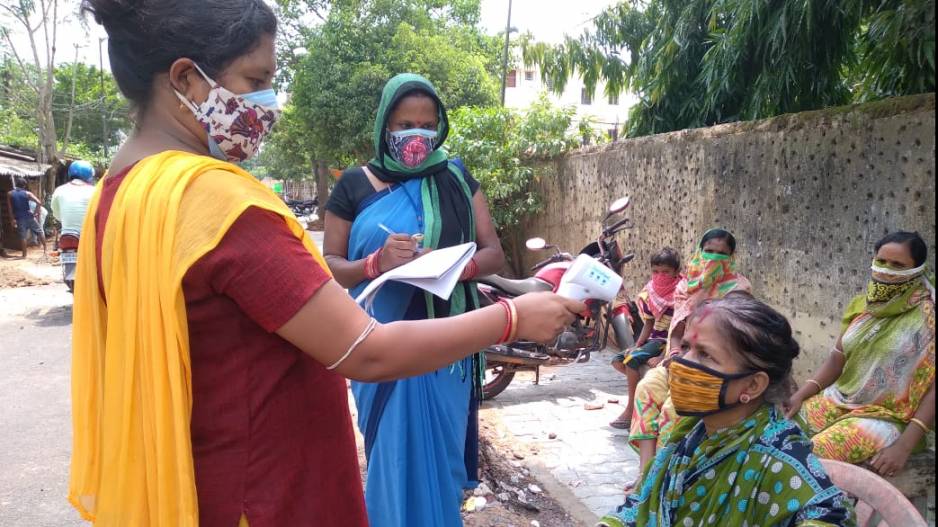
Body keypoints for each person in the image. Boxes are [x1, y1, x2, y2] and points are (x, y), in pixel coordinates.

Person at [72, 2, 583, 526]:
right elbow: (367, 352)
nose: (270, 104)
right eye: (256, 79)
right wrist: (513, 318)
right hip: (266, 497)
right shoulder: (221, 206)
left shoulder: (119, 195)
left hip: (197, 481)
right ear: (186, 79)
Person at [322, 73, 506, 527]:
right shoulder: (354, 184)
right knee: (393, 457)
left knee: (441, 464)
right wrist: (376, 263)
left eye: (427, 125)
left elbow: (493, 253)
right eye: (406, 125)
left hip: (449, 344)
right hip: (381, 343)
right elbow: (331, 265)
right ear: (385, 125)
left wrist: (451, 267)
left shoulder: (457, 178)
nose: (416, 135)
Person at [598, 293, 855, 527]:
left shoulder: (777, 455)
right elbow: (644, 501)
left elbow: (829, 516)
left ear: (753, 385)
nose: (682, 363)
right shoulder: (689, 438)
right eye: (686, 347)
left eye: (705, 355)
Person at [786, 231, 935, 478]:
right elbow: (837, 358)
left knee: (808, 456)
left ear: (917, 269)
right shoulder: (862, 305)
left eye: (898, 265)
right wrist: (799, 396)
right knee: (775, 432)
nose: (886, 270)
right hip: (839, 400)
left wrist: (904, 446)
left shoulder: (929, 316)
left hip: (890, 417)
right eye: (882, 261)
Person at [627, 229, 752, 490]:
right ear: (699, 251)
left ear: (731, 257)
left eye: (722, 254)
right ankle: (646, 474)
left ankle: (665, 479)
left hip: (714, 367)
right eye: (709, 251)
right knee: (646, 388)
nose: (714, 258)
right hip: (682, 358)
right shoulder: (686, 286)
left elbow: (728, 338)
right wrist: (674, 355)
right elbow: (677, 332)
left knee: (672, 408)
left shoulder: (739, 289)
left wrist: (707, 290)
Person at [610, 247, 682, 430]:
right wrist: (638, 344)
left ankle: (631, 409)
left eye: (665, 272)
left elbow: (679, 329)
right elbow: (649, 323)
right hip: (653, 339)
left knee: (632, 360)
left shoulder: (681, 293)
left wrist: (663, 357)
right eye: (655, 271)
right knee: (618, 360)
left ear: (676, 271)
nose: (660, 276)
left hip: (668, 342)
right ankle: (642, 393)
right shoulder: (650, 291)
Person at [51, 160, 97, 238]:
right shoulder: (95, 191)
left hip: (66, 237)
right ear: (89, 175)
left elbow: (56, 214)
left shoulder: (59, 190)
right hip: (87, 238)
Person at [6, 176, 46, 259]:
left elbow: (10, 209)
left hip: (19, 218)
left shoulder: (10, 194)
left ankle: (24, 255)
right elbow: (39, 202)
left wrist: (12, 219)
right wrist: (34, 213)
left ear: (16, 184)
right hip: (29, 217)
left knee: (23, 236)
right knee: (39, 232)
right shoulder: (27, 193)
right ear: (24, 185)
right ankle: (45, 251)